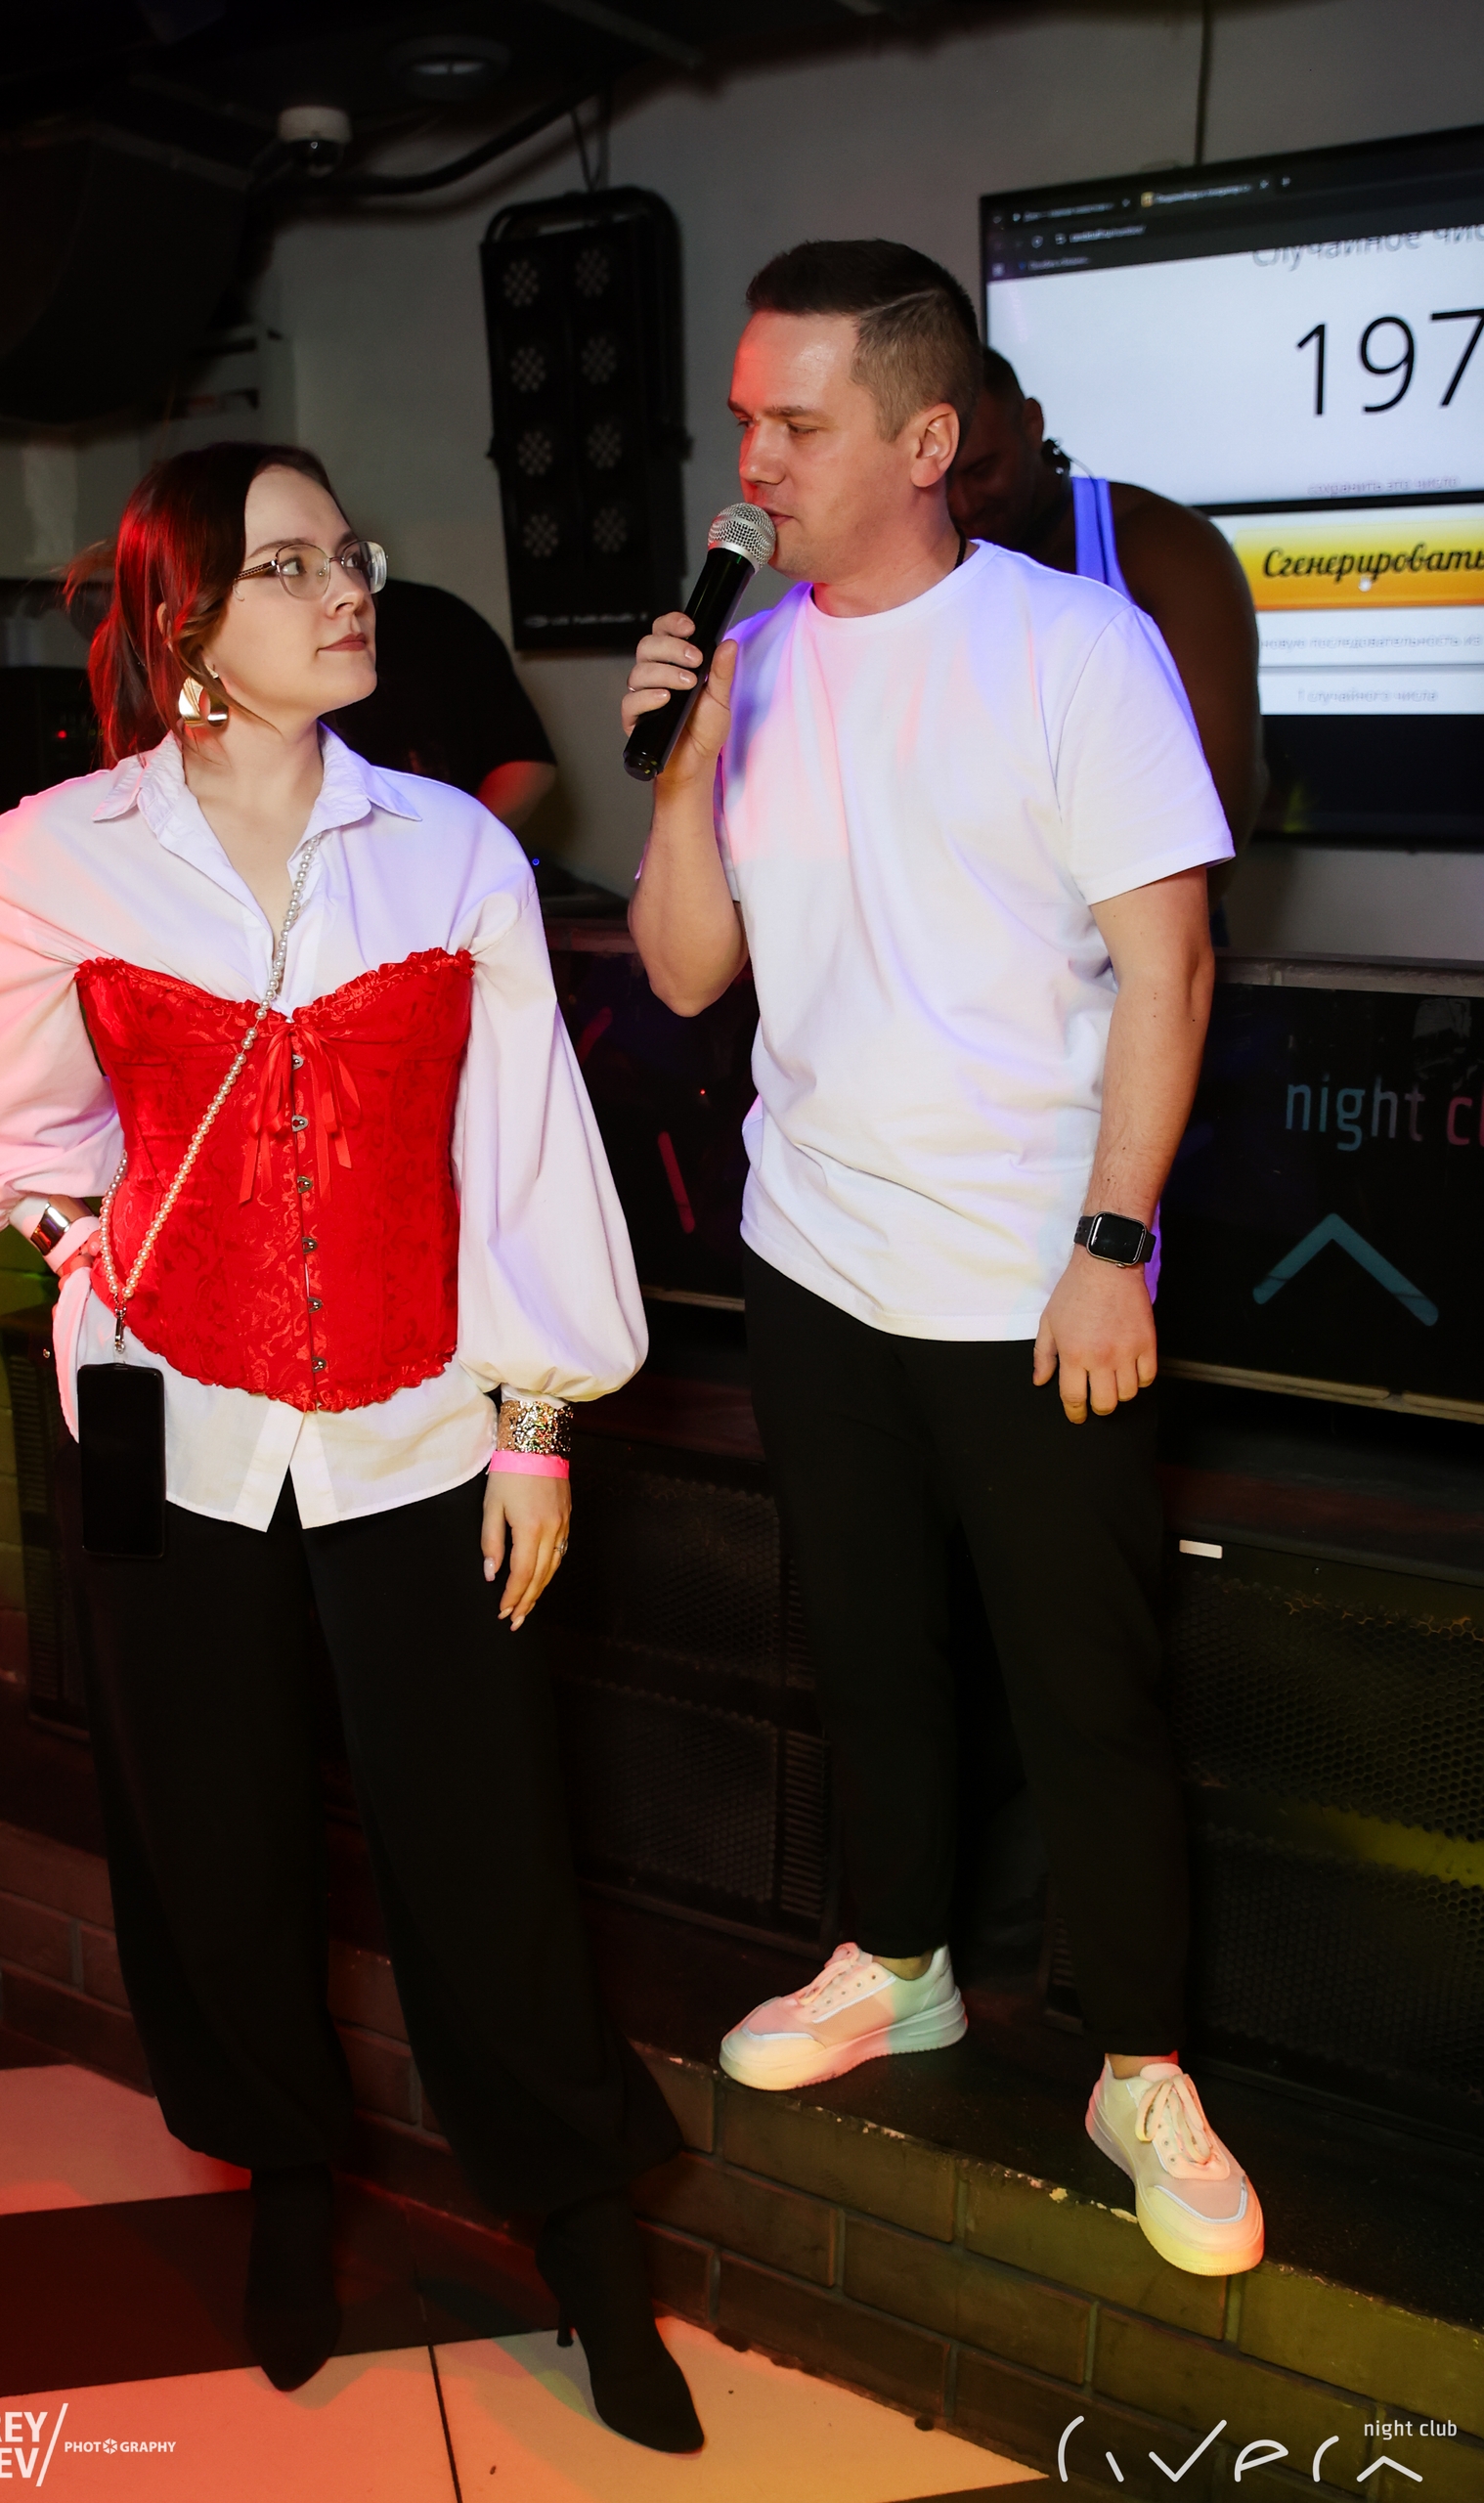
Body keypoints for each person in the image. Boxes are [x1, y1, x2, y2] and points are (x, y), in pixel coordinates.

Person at [0, 441, 702, 2449]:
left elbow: (523, 1150)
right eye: (288, 565)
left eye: (348, 551)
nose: (348, 586)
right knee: (207, 1834)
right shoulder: (66, 851)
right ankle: (285, 2183)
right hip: (158, 1431)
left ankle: (585, 2233)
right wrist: (71, 1228)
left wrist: (536, 1424)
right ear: (184, 632)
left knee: (486, 1844)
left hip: (420, 1429)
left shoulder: (449, 850)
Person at [623, 242, 1264, 2280]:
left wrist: (1110, 1243)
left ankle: (1139, 2062)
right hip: (815, 1256)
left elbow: (1170, 966)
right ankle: (894, 1962)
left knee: (1085, 1685)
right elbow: (684, 970)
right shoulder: (753, 663)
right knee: (869, 1647)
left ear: (923, 440)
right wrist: (686, 758)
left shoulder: (1074, 647)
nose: (752, 461)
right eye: (743, 419)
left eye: (794, 424)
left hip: (1028, 1270)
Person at [948, 347, 1267, 864]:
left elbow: (1222, 802)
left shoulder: (1165, 548)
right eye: (943, 480)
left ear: (1031, 425)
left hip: (1150, 907)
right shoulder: (923, 563)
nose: (963, 504)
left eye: (983, 470)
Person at [327, 575, 557, 830]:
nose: (352, 597)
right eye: (298, 566)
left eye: (352, 559)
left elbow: (523, 758)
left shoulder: (439, 618)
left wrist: (462, 841)